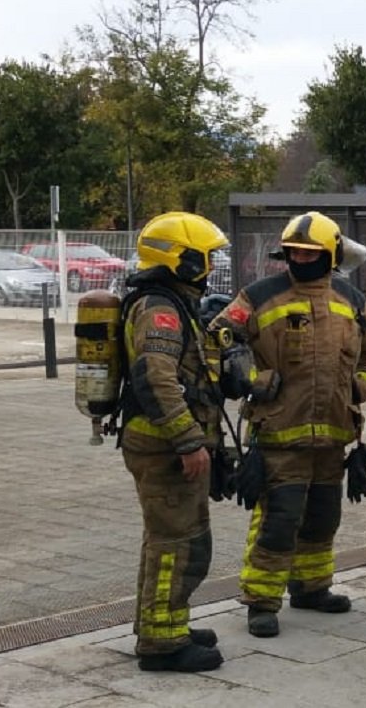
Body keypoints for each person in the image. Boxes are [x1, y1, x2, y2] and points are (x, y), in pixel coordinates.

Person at [211, 211, 366, 639]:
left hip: (333, 436)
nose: (300, 259)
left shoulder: (352, 300)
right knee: (279, 519)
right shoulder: (258, 296)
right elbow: (218, 339)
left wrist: (357, 390)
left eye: (310, 253)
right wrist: (252, 379)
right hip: (278, 435)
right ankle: (261, 600)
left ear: (329, 256)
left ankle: (311, 588)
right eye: (294, 252)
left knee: (323, 517)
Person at [119, 211, 231, 672]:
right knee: (178, 544)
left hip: (160, 442)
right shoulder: (161, 309)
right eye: (206, 257)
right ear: (183, 260)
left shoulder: (168, 301)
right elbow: (157, 377)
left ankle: (163, 623)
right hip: (164, 447)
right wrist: (188, 442)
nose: (211, 265)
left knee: (166, 539)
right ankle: (163, 643)